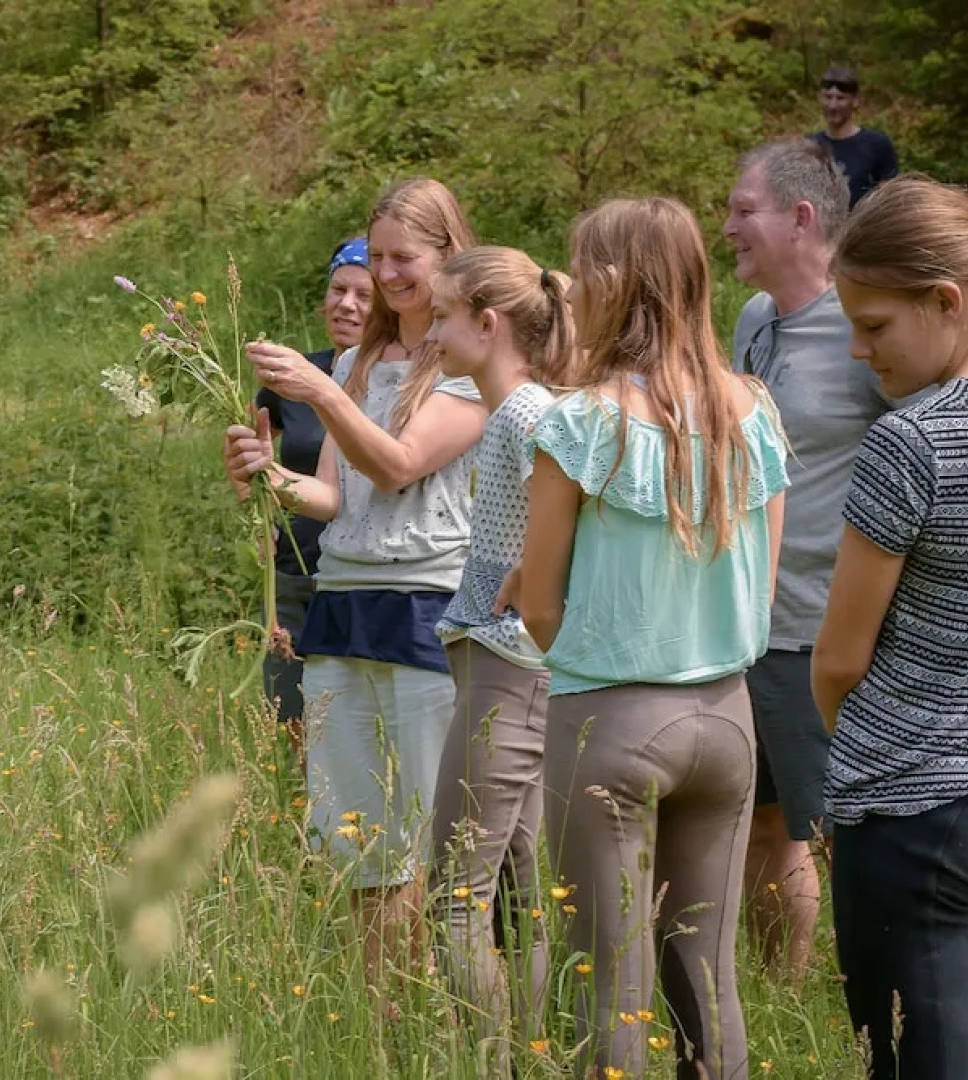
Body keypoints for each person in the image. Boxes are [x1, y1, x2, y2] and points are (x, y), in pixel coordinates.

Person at [510, 196, 790, 1079]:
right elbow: (765, 580)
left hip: (612, 716)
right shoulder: (754, 411)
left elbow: (538, 604)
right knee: (709, 984)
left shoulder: (580, 422)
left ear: (604, 284)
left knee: (608, 980)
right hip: (728, 718)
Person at [224, 177, 488, 996]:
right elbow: (336, 497)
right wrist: (266, 475)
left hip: (424, 607)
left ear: (448, 256)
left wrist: (322, 393)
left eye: (402, 257)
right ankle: (385, 1019)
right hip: (340, 606)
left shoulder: (471, 358)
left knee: (430, 838)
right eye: (374, 256)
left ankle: (454, 1021)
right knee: (358, 839)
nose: (386, 274)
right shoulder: (357, 359)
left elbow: (400, 464)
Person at [815, 177, 968, 1080]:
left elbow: (837, 661)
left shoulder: (915, 440)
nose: (859, 351)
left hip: (910, 808)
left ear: (946, 301)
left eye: (873, 325)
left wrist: (857, 765)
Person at [723, 137, 880, 976]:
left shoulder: (864, 325)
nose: (727, 228)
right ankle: (777, 992)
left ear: (802, 216)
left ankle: (849, 999)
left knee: (817, 828)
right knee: (754, 817)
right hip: (737, 620)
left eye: (742, 210)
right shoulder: (752, 321)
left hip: (813, 629)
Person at [424, 247, 577, 1058]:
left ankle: (494, 1061)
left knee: (454, 892)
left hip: (509, 665)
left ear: (486, 324)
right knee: (520, 887)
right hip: (505, 661)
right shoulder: (515, 413)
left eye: (442, 316)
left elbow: (575, 525)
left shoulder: (525, 415)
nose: (431, 333)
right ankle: (527, 1055)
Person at [256, 237, 373, 754]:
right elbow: (253, 462)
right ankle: (306, 819)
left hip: (365, 575)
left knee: (357, 727)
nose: (347, 304)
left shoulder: (403, 383)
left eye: (364, 296)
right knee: (291, 715)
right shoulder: (291, 378)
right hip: (296, 571)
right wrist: (257, 518)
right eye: (338, 289)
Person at [813, 65, 898, 207]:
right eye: (828, 97)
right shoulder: (810, 146)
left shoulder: (876, 145)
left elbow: (891, 199)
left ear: (856, 101)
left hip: (862, 227)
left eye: (841, 98)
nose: (833, 106)